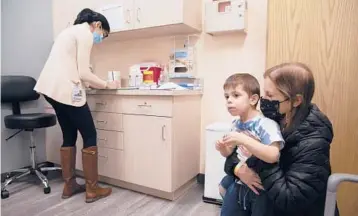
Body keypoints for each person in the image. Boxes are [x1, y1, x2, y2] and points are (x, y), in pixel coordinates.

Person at [223, 62, 338, 216]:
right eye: (265, 93)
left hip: (292, 208)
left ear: (296, 101)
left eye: (270, 95)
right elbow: (234, 155)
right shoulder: (275, 117)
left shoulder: (314, 141)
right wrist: (238, 170)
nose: (263, 99)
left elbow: (290, 199)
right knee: (228, 186)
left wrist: (257, 154)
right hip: (266, 192)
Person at [34, 8, 118, 203]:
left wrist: (88, 81)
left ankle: (69, 185)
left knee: (69, 134)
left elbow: (72, 66)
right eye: (102, 35)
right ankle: (92, 189)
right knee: (90, 134)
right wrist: (107, 84)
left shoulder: (68, 31)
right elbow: (83, 74)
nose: (100, 39)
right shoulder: (86, 33)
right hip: (65, 90)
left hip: (51, 90)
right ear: (97, 25)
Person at [216, 73, 285, 216]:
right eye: (226, 96)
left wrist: (242, 139)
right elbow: (231, 154)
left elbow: (273, 155)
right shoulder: (236, 124)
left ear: (253, 99)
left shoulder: (265, 124)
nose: (229, 100)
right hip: (239, 182)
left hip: (260, 189)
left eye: (236, 95)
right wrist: (224, 149)